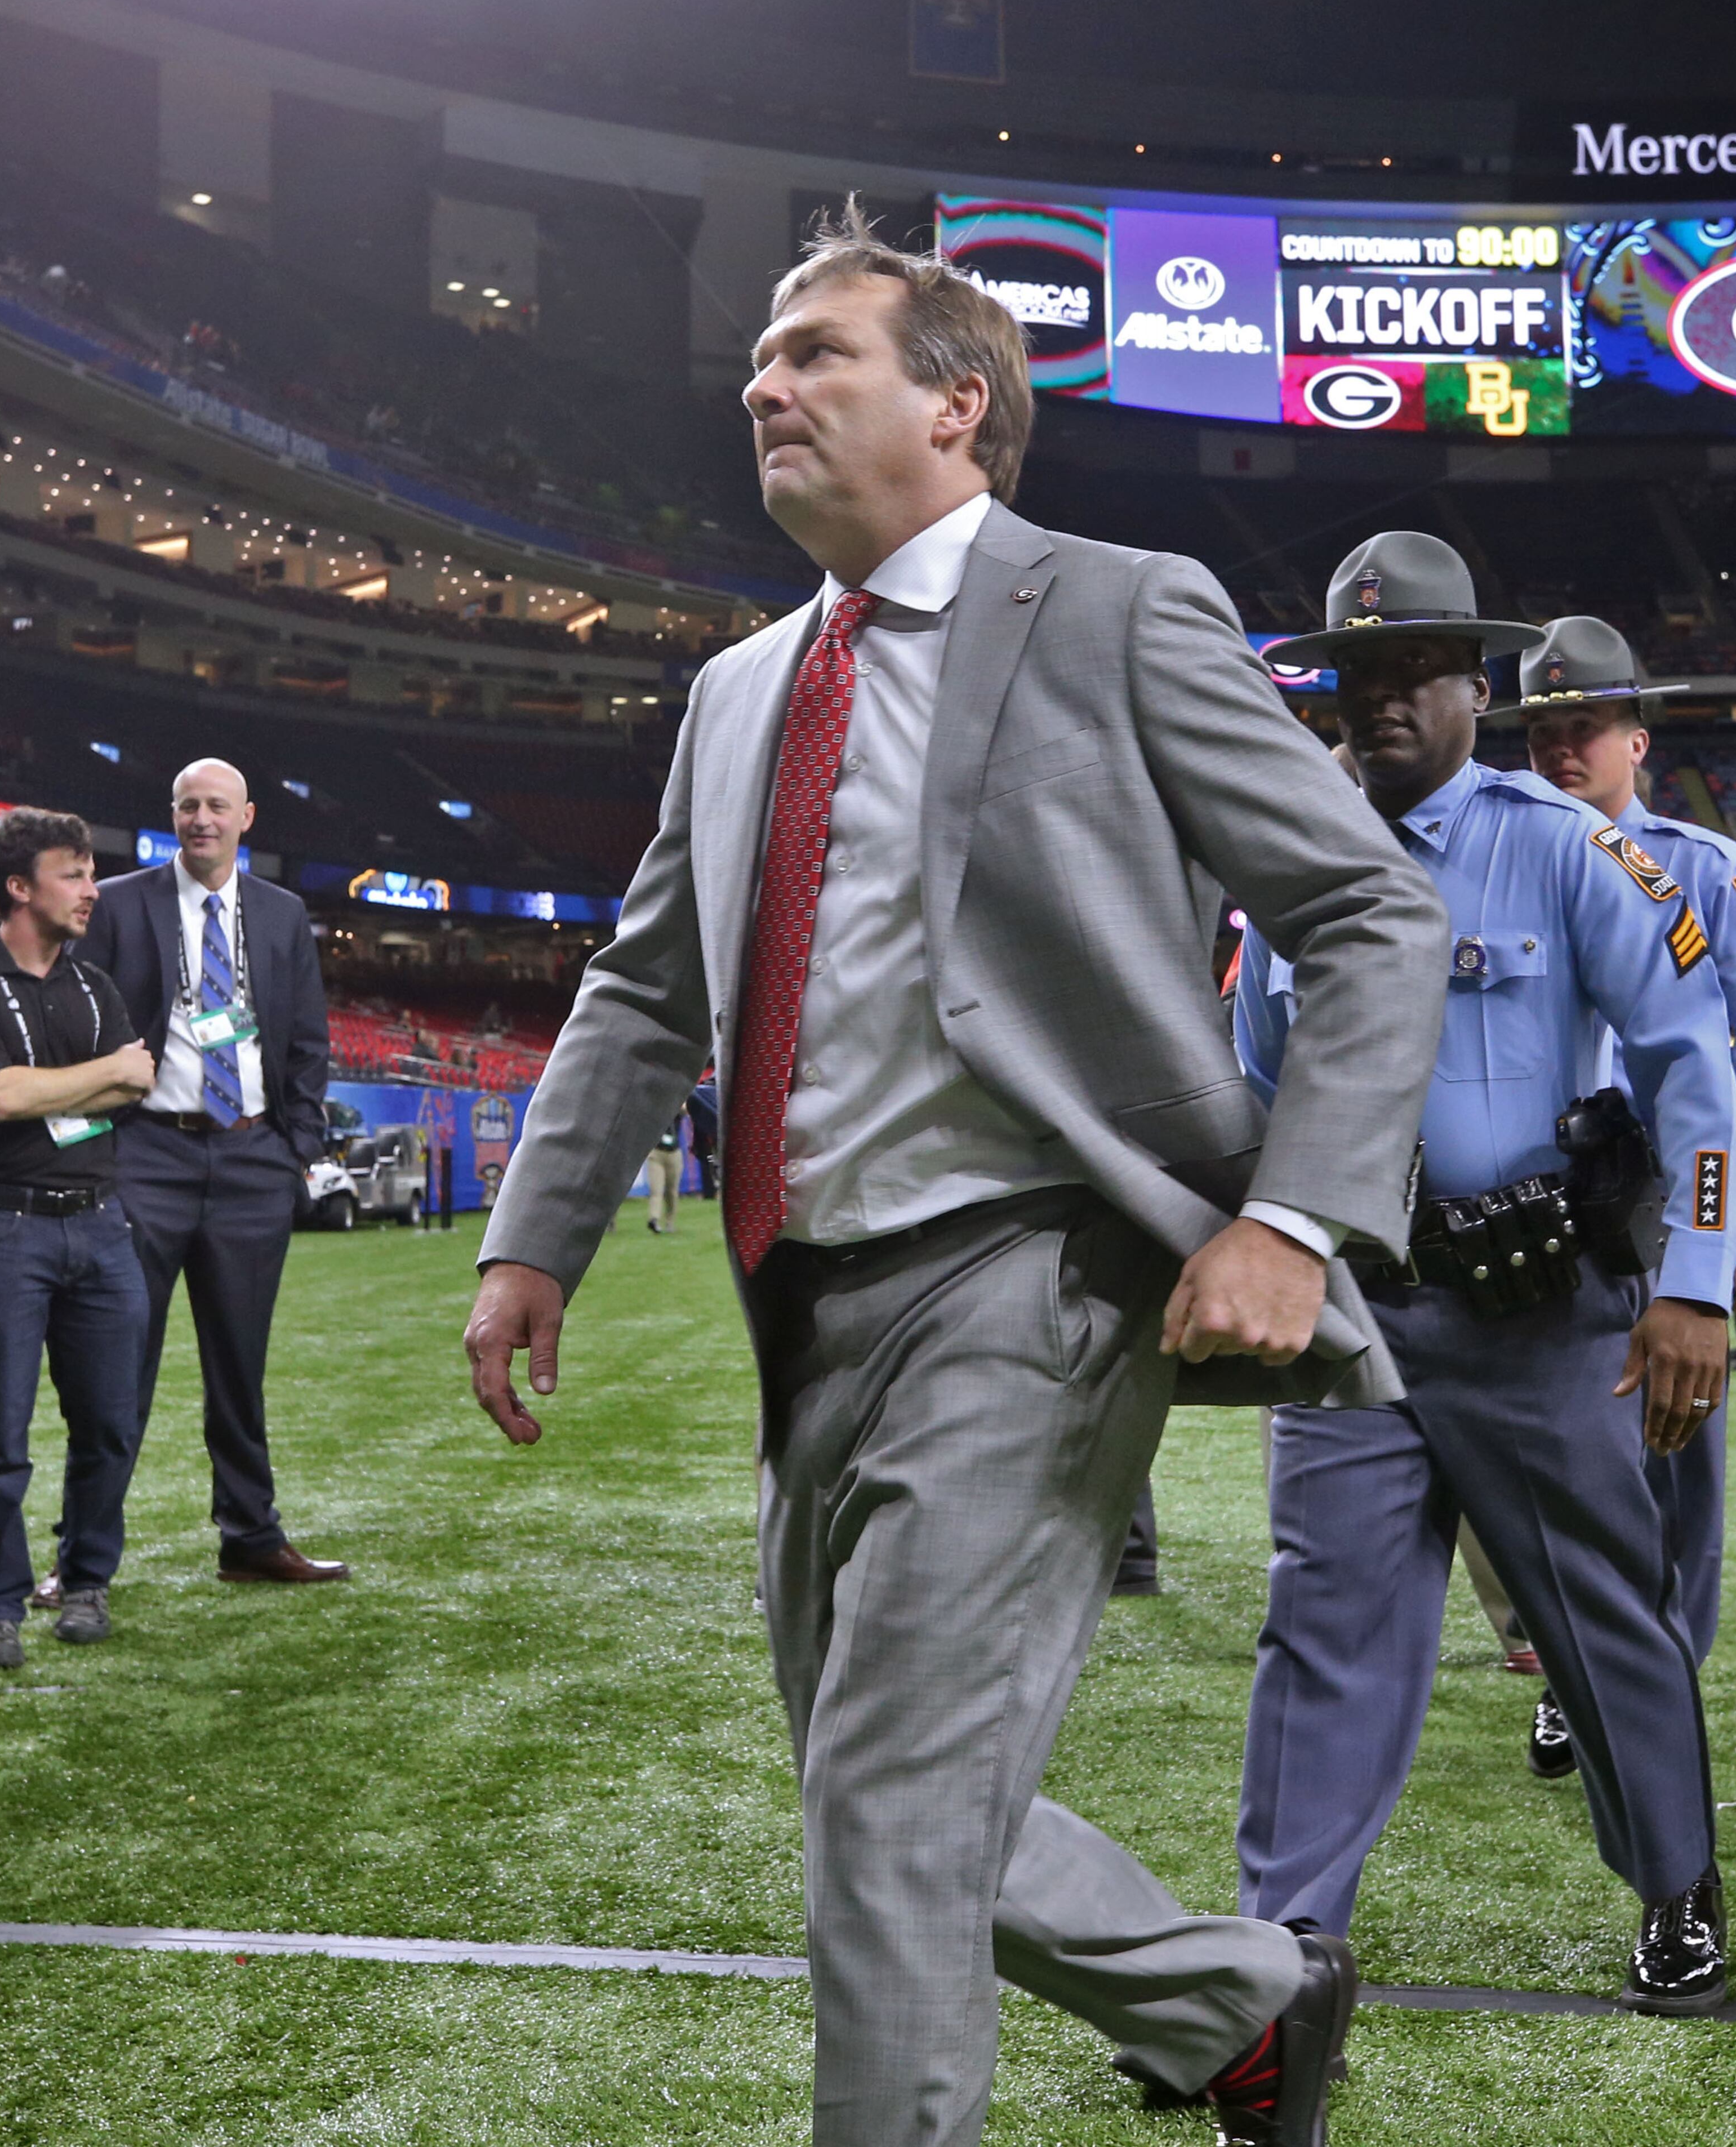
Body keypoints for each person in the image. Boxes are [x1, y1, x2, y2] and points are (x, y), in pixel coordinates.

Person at [464, 204, 1448, 2147]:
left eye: (818, 349)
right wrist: (535, 1235)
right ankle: (1242, 2000)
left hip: (1041, 1273)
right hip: (807, 1303)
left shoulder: (1115, 604)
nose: (765, 381)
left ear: (959, 403)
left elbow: (1368, 909)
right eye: (761, 356)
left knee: (897, 1805)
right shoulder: (744, 686)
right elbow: (649, 983)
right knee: (880, 1789)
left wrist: (1291, 1211)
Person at [1235, 534, 1736, 2017]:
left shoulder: (1576, 846)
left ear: (1476, 683)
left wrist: (1697, 1282)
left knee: (1602, 1615)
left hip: (1541, 1319)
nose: (1383, 699)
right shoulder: (1288, 857)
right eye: (1356, 674)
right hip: (1361, 1319)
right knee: (1321, 1626)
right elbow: (1256, 1075)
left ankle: (1674, 1878)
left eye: (1415, 670)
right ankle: (1282, 1946)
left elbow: (1691, 1071)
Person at [1516, 618, 1736, 1681]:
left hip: (1678, 1214)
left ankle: (1666, 1682)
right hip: (1542, 1214)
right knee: (1557, 1462)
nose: (1560, 748)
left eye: (1584, 726)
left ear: (1638, 739)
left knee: (1680, 1469)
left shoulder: (1709, 870)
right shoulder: (1504, 864)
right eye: (1542, 728)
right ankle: (1568, 1671)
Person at [71, 759, 346, 1587]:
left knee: (240, 1362)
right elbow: (83, 1023)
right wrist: (98, 1140)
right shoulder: (120, 903)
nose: (201, 818)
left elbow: (306, 1040)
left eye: (216, 805)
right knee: (118, 1363)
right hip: (147, 1152)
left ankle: (252, 1538)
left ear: (246, 817)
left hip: (252, 1157)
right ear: (173, 815)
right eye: (187, 804)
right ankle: (82, 1560)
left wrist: (293, 1147)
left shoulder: (282, 913)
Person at [0, 810, 155, 1665]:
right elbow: (0, 1098)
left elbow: (132, 1089)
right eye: (75, 873)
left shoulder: (97, 987)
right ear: (19, 887)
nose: (93, 889)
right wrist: (87, 1080)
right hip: (1, 1230)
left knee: (109, 1423)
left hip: (100, 1226)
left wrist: (44, 1091)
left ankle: (86, 1579)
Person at [644, 1110, 686, 1233]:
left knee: (671, 1192)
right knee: (656, 1190)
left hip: (674, 1153)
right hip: (656, 1153)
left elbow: (686, 1110)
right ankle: (654, 1219)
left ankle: (670, 1222)